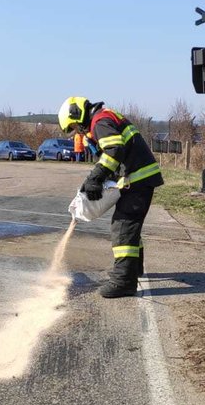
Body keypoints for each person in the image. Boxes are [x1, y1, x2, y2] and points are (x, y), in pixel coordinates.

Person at [58, 96, 164, 298]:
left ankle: (124, 281)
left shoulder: (100, 121)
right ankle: (133, 270)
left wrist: (96, 177)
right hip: (139, 179)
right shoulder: (104, 117)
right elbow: (116, 154)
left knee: (123, 227)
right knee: (129, 226)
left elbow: (114, 150)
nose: (78, 132)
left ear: (77, 115)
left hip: (138, 179)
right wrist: (97, 179)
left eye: (74, 127)